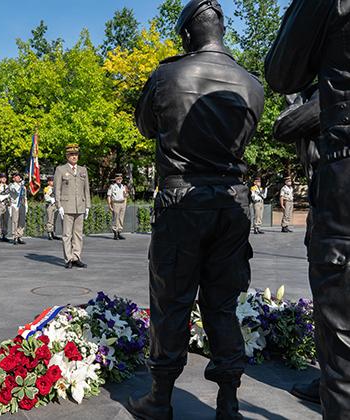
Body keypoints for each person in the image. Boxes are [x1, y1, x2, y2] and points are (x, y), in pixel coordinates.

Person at [128, 1, 264, 419]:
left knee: (171, 300)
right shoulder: (251, 83)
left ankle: (160, 398)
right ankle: (228, 402)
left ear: (187, 34)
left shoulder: (168, 74)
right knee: (222, 304)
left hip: (181, 200)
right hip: (232, 202)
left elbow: (144, 125)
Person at [266, 1, 350, 414]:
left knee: (338, 303)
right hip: (329, 188)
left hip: (342, 184)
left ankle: (335, 383)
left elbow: (281, 70)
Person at [273, 87, 321, 405]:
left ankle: (335, 380)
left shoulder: (329, 91)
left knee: (334, 301)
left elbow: (284, 126)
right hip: (328, 202)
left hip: (334, 205)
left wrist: (295, 94)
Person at [54, 143, 91, 269]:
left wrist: (87, 206)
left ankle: (76, 257)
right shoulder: (61, 169)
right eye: (71, 154)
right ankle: (68, 258)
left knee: (78, 234)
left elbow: (87, 189)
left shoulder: (83, 170)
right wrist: (59, 205)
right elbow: (57, 189)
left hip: (80, 205)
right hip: (67, 206)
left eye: (76, 154)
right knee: (67, 234)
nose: (74, 157)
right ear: (67, 156)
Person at [107, 173, 128, 240]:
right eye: (118, 179)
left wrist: (125, 203)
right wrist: (109, 205)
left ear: (122, 179)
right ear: (115, 179)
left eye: (120, 179)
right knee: (116, 218)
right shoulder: (112, 186)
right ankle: (115, 233)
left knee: (121, 218)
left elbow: (126, 195)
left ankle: (119, 232)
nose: (119, 180)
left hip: (122, 203)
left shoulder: (123, 186)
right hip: (115, 203)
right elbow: (109, 196)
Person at [9, 172, 27, 245]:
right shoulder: (11, 185)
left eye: (19, 176)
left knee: (22, 221)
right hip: (15, 205)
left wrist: (26, 205)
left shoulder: (23, 187)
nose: (18, 177)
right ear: (13, 178)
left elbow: (25, 196)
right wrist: (21, 185)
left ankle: (20, 235)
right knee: (15, 221)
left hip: (22, 204)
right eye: (16, 176)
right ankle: (15, 236)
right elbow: (16, 191)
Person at [43, 176, 61, 240]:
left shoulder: (56, 188)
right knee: (50, 220)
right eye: (51, 181)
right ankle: (49, 233)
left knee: (54, 220)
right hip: (50, 205)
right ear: (48, 182)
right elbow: (46, 197)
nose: (53, 182)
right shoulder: (47, 188)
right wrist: (51, 199)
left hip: (55, 205)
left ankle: (53, 232)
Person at [0, 173, 11, 242]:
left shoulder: (8, 186)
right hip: (0, 204)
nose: (4, 178)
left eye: (5, 177)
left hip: (7, 205)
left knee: (5, 220)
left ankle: (4, 234)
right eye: (2, 177)